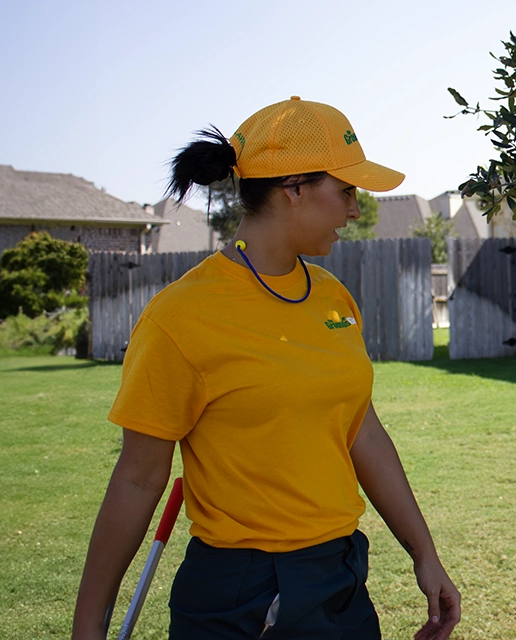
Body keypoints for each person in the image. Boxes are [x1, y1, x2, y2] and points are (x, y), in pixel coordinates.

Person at [71, 97, 460, 640]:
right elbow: (137, 478)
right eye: (346, 189)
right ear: (294, 187)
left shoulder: (334, 299)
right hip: (239, 595)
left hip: (340, 577)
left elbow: (362, 431)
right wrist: (88, 629)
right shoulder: (181, 317)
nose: (354, 208)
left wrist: (424, 552)